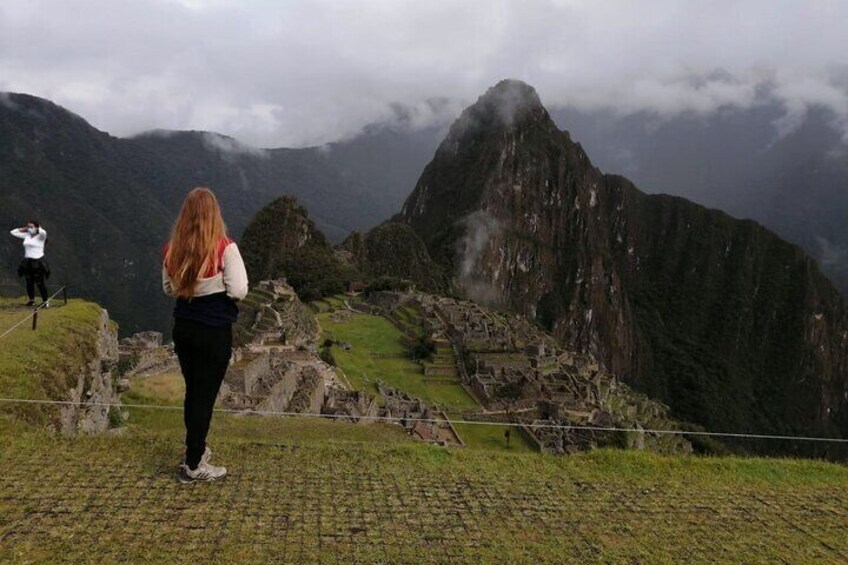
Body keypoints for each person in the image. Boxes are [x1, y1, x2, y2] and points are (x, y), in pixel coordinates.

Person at [162, 187, 249, 484]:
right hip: (213, 330)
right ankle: (194, 463)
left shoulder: (173, 249)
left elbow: (168, 289)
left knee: (193, 391)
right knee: (204, 396)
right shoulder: (225, 248)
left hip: (183, 328)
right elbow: (238, 290)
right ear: (215, 214)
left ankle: (195, 449)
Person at [10, 221, 50, 308]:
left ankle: (45, 302)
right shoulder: (27, 235)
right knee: (29, 282)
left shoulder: (41, 237)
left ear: (36, 227)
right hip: (28, 261)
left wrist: (38, 228)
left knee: (40, 283)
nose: (29, 229)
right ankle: (32, 300)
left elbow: (44, 232)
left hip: (38, 262)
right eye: (28, 227)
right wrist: (24, 229)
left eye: (31, 227)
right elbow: (13, 232)